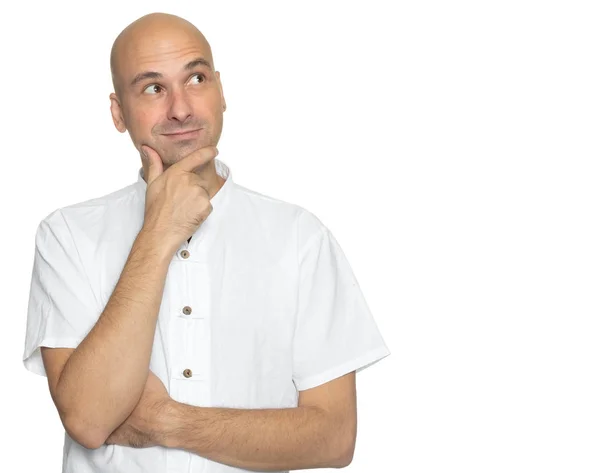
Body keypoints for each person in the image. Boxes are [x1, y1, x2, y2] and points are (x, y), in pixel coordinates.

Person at [22, 11, 391, 473]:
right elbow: (89, 420)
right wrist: (158, 233)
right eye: (153, 88)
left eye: (195, 79)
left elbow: (334, 439)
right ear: (119, 112)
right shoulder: (67, 235)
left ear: (220, 91)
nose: (180, 108)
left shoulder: (299, 237)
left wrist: (166, 420)